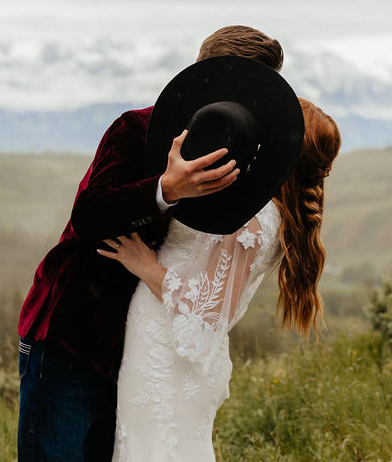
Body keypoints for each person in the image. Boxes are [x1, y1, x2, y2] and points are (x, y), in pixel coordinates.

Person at [16, 26, 284, 461]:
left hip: (137, 354)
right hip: (72, 337)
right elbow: (89, 215)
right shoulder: (137, 129)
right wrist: (166, 189)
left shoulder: (241, 160)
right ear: (208, 77)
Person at [98, 98, 341, 460]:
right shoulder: (266, 209)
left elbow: (205, 316)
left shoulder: (255, 220)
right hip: (161, 351)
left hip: (168, 358)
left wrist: (146, 265)